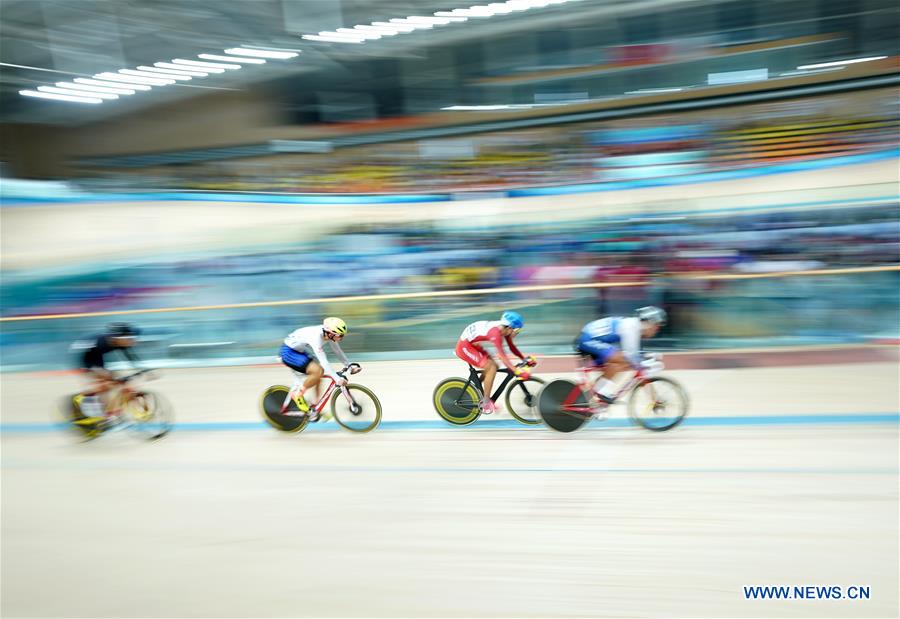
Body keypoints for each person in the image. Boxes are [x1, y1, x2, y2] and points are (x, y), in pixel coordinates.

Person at [574, 305, 666, 404]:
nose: (656, 331)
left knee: (622, 363)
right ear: (649, 323)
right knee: (620, 358)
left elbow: (634, 355)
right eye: (656, 327)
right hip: (587, 340)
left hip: (593, 341)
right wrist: (647, 362)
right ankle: (599, 391)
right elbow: (632, 355)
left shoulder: (635, 328)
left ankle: (596, 394)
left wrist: (647, 358)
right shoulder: (631, 327)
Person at [454, 310, 536, 414]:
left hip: (472, 344)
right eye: (518, 330)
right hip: (464, 347)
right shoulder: (496, 333)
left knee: (495, 365)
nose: (518, 333)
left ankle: (477, 387)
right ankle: (486, 402)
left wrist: (524, 359)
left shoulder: (505, 329)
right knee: (491, 367)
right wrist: (517, 371)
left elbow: (512, 348)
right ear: (510, 328)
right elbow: (502, 356)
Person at [279, 316, 360, 421]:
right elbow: (324, 362)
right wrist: (337, 379)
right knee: (318, 371)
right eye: (340, 335)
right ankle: (298, 395)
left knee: (318, 375)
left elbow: (337, 351)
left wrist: (348, 365)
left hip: (299, 351)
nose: (341, 338)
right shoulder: (316, 337)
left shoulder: (329, 334)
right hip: (288, 352)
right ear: (330, 333)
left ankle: (316, 407)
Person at [75, 322, 143, 422]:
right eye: (130, 338)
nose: (133, 341)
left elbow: (131, 358)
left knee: (114, 382)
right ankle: (84, 398)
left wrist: (142, 370)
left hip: (97, 358)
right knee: (106, 383)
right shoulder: (102, 342)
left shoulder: (121, 342)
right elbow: (92, 363)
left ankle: (110, 412)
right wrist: (103, 376)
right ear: (119, 338)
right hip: (87, 359)